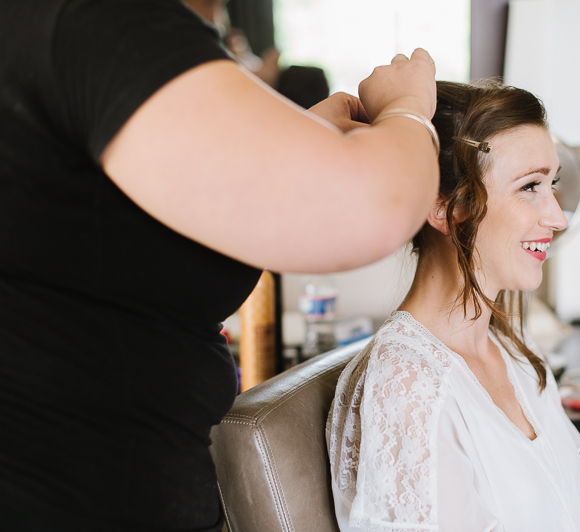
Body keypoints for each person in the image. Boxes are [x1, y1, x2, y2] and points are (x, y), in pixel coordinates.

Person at [0, 0, 439, 530]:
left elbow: (127, 232)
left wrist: (295, 142)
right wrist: (408, 109)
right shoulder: (98, 19)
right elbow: (375, 204)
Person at [327, 80, 580, 532]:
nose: (559, 218)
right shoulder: (409, 387)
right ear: (446, 208)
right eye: (530, 187)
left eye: (554, 184)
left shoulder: (515, 350)